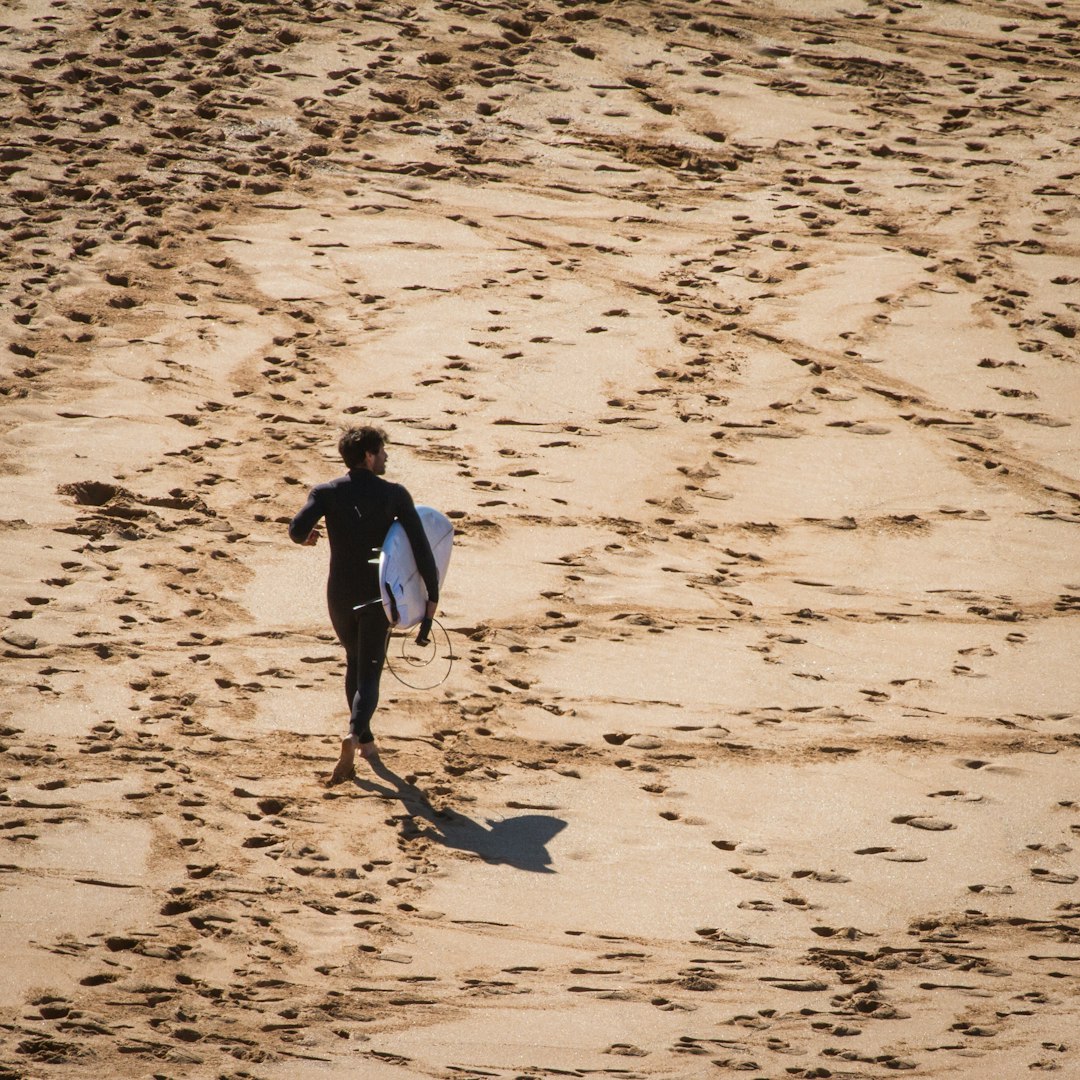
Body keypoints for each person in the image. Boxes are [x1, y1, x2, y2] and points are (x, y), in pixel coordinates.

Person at [289, 425, 439, 783]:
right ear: (369, 456)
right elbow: (421, 549)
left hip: (339, 594)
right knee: (369, 673)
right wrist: (432, 597)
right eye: (382, 451)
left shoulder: (326, 492)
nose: (386, 457)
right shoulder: (395, 495)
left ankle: (367, 742)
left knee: (354, 661)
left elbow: (296, 530)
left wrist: (308, 538)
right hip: (377, 596)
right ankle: (354, 736)